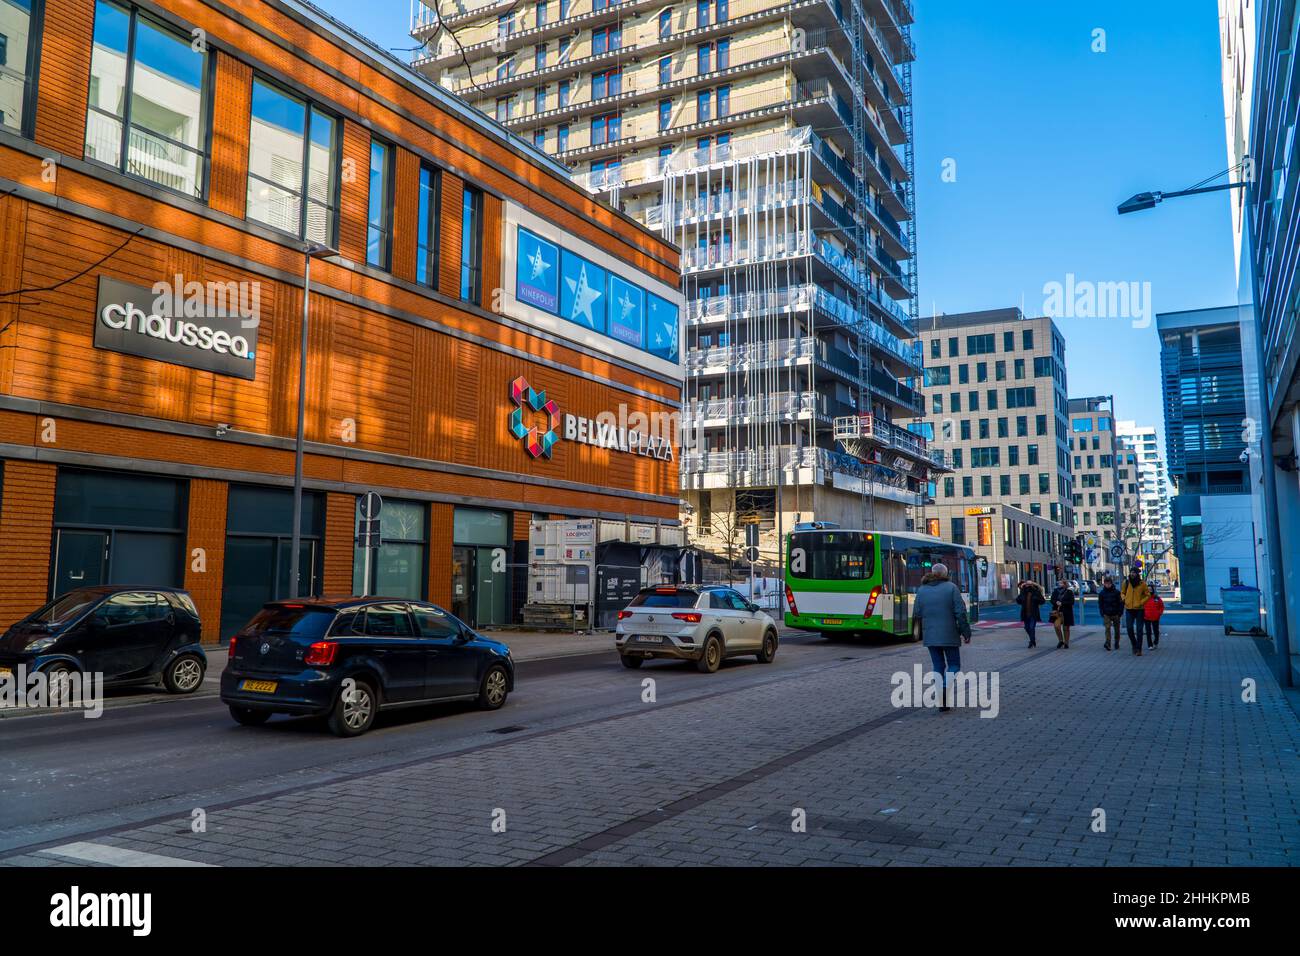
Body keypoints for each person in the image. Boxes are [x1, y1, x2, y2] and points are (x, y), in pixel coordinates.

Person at [912, 562, 971, 712]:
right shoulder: (952, 588)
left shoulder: (922, 590)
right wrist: (966, 633)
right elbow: (960, 613)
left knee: (938, 666)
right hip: (949, 634)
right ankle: (945, 687)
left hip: (930, 635)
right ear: (946, 574)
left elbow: (917, 613)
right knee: (954, 665)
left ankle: (941, 697)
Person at [1121, 569, 1152, 656]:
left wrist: (1141, 602)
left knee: (1139, 630)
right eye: (1131, 572)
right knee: (1129, 628)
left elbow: (1148, 595)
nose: (1132, 574)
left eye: (1134, 572)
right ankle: (1134, 645)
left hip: (1139, 609)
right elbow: (1122, 593)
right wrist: (1124, 599)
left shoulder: (1142, 584)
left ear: (1137, 574)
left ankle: (1139, 649)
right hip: (1129, 608)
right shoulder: (1126, 583)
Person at [1015, 579, 1046, 648]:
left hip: (1033, 613)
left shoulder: (1036, 592)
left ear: (1032, 585)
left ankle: (1031, 641)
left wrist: (1036, 599)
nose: (1028, 586)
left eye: (1030, 584)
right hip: (1025, 613)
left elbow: (1042, 601)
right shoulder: (1023, 592)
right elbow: (1018, 600)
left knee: (1032, 627)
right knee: (1026, 628)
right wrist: (1019, 599)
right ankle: (1032, 640)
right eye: (1027, 584)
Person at [1097, 575, 1124, 651]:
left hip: (1116, 613)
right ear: (1104, 584)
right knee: (1107, 628)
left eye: (1109, 583)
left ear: (1111, 584)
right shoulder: (1102, 593)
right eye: (1106, 583)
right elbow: (1100, 604)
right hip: (1106, 613)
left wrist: (1120, 613)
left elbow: (1121, 603)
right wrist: (1102, 612)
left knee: (1117, 629)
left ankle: (1116, 642)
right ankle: (1108, 643)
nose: (1107, 585)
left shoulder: (1117, 592)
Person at [1049, 576, 1076, 648]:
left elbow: (1072, 602)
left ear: (1065, 584)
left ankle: (1066, 643)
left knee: (1066, 628)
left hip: (1066, 612)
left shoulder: (1069, 592)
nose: (1059, 584)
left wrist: (1062, 603)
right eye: (1059, 583)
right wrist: (1056, 602)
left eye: (1061, 583)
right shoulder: (1055, 591)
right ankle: (1060, 640)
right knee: (1056, 626)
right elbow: (1051, 600)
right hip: (1057, 612)